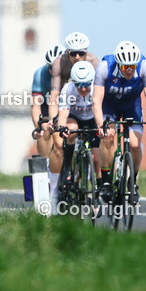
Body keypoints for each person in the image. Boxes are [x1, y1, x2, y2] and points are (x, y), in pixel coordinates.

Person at [93, 40, 146, 201]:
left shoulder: (143, 66)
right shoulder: (104, 67)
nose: (129, 71)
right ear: (118, 64)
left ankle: (133, 181)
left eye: (132, 66)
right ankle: (107, 181)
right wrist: (101, 125)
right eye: (125, 67)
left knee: (135, 145)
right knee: (108, 137)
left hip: (131, 106)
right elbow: (96, 101)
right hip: (109, 106)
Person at [45, 31, 100, 187]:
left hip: (88, 103)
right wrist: (53, 119)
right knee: (61, 138)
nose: (77, 57)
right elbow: (55, 95)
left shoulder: (94, 62)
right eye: (73, 53)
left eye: (81, 53)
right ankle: (66, 168)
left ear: (86, 52)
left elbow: (101, 92)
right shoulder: (59, 63)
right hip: (67, 101)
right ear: (67, 52)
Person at [50, 60, 100, 204]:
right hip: (74, 117)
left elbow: (101, 110)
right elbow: (63, 112)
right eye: (79, 84)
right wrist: (61, 126)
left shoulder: (97, 88)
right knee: (71, 131)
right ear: (74, 82)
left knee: (97, 159)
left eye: (86, 85)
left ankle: (98, 188)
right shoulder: (68, 89)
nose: (83, 89)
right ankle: (67, 167)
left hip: (92, 118)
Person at [31, 44, 62, 197]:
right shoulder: (40, 74)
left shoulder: (72, 74)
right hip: (46, 106)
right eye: (51, 67)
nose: (54, 70)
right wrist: (38, 125)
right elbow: (36, 105)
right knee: (44, 130)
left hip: (64, 105)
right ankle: (46, 169)